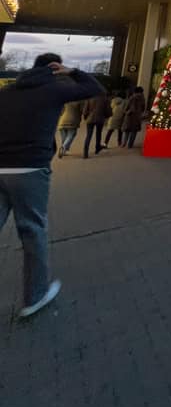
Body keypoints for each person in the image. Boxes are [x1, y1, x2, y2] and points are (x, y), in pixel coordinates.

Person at [0, 53, 103, 318]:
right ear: (54, 68)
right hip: (30, 168)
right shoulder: (54, 90)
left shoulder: (7, 92)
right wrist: (71, 71)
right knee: (32, 229)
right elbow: (95, 88)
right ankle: (35, 296)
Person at [82, 91, 111, 158]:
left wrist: (85, 117)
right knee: (98, 134)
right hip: (100, 119)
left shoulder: (89, 98)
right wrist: (106, 116)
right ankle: (97, 148)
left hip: (90, 118)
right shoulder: (105, 99)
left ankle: (85, 152)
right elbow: (108, 110)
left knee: (89, 135)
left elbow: (85, 110)